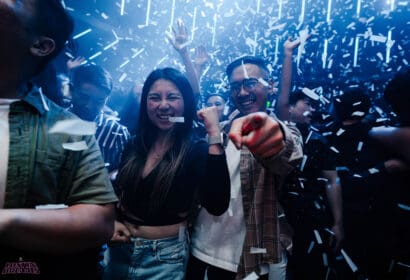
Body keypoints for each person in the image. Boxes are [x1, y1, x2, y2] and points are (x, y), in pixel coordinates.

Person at [0, 1, 118, 279]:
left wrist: (8, 221)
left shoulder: (68, 129)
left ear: (41, 45)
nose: (89, 105)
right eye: (84, 96)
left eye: (16, 1)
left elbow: (100, 218)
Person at [103, 67, 231, 280]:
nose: (163, 105)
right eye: (155, 98)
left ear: (185, 103)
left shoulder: (196, 149)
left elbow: (218, 205)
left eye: (172, 97)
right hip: (119, 250)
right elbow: (118, 191)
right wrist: (114, 220)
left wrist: (214, 134)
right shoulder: (135, 143)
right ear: (145, 103)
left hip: (164, 257)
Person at [186, 56, 303, 280]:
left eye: (250, 83)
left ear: (271, 86)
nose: (241, 92)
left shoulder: (286, 131)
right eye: (235, 86)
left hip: (250, 258)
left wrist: (259, 125)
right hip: (200, 245)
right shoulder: (219, 130)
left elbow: (286, 154)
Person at [69, 64, 131, 175]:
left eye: (99, 101)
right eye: (84, 97)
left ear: (106, 100)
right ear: (71, 90)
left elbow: (125, 170)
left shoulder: (117, 133)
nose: (89, 106)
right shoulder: (52, 119)